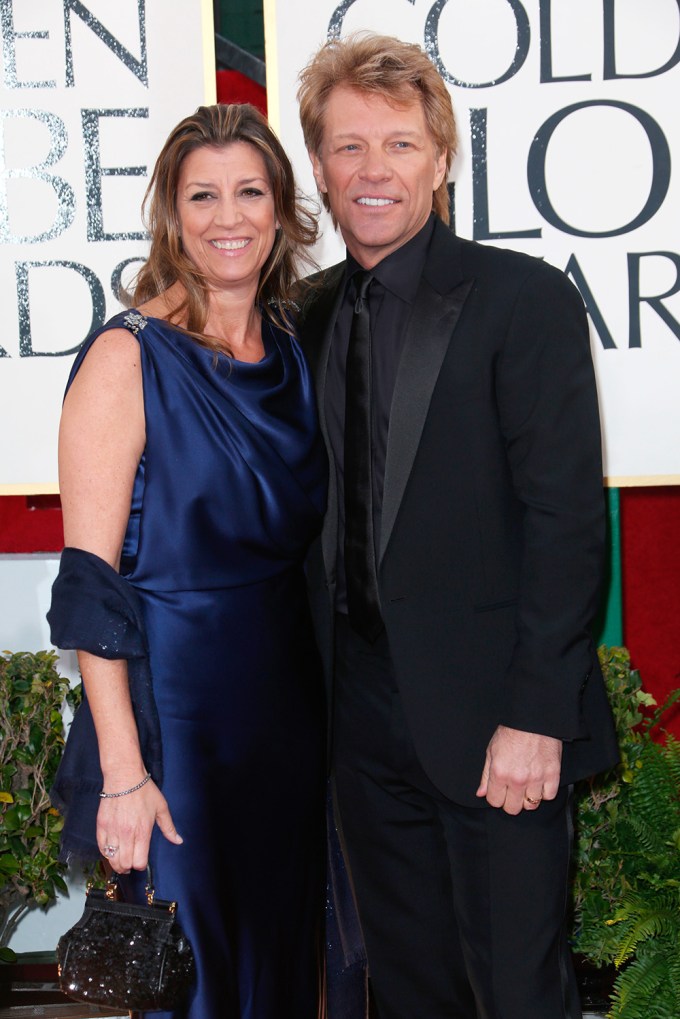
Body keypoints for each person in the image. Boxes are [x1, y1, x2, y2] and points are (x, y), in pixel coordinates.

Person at [296, 33, 619, 1019]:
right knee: (411, 985)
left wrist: (534, 713)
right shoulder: (302, 314)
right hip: (357, 720)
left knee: (519, 988)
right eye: (347, 147)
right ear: (317, 166)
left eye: (397, 144)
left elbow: (566, 518)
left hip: (495, 721)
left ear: (440, 160)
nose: (372, 170)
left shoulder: (520, 299)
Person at [47, 103, 327, 1019]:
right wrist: (123, 773)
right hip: (176, 726)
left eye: (250, 192)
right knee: (195, 979)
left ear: (282, 210)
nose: (227, 217)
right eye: (201, 195)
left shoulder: (291, 351)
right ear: (171, 213)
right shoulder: (127, 357)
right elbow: (91, 588)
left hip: (286, 723)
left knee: (281, 967)